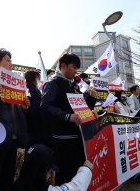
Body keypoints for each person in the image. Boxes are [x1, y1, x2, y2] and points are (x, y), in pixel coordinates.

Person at [0, 48, 30, 191]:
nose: (11, 64)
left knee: (7, 177)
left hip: (12, 137)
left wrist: (23, 105)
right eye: (8, 61)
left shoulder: (15, 83)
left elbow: (16, 110)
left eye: (11, 61)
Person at [41, 54, 84, 185]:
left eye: (77, 68)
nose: (76, 71)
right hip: (62, 139)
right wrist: (66, 116)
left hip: (76, 138)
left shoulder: (73, 86)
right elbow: (45, 106)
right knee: (65, 176)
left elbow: (79, 109)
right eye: (74, 67)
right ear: (63, 66)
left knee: (76, 175)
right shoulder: (53, 84)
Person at [13, 144, 93, 191]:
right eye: (49, 170)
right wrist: (86, 169)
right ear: (42, 172)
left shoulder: (16, 186)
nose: (49, 175)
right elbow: (75, 187)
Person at [25, 70, 51, 147]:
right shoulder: (33, 90)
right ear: (34, 79)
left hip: (31, 127)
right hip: (37, 125)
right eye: (38, 79)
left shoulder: (27, 90)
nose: (39, 81)